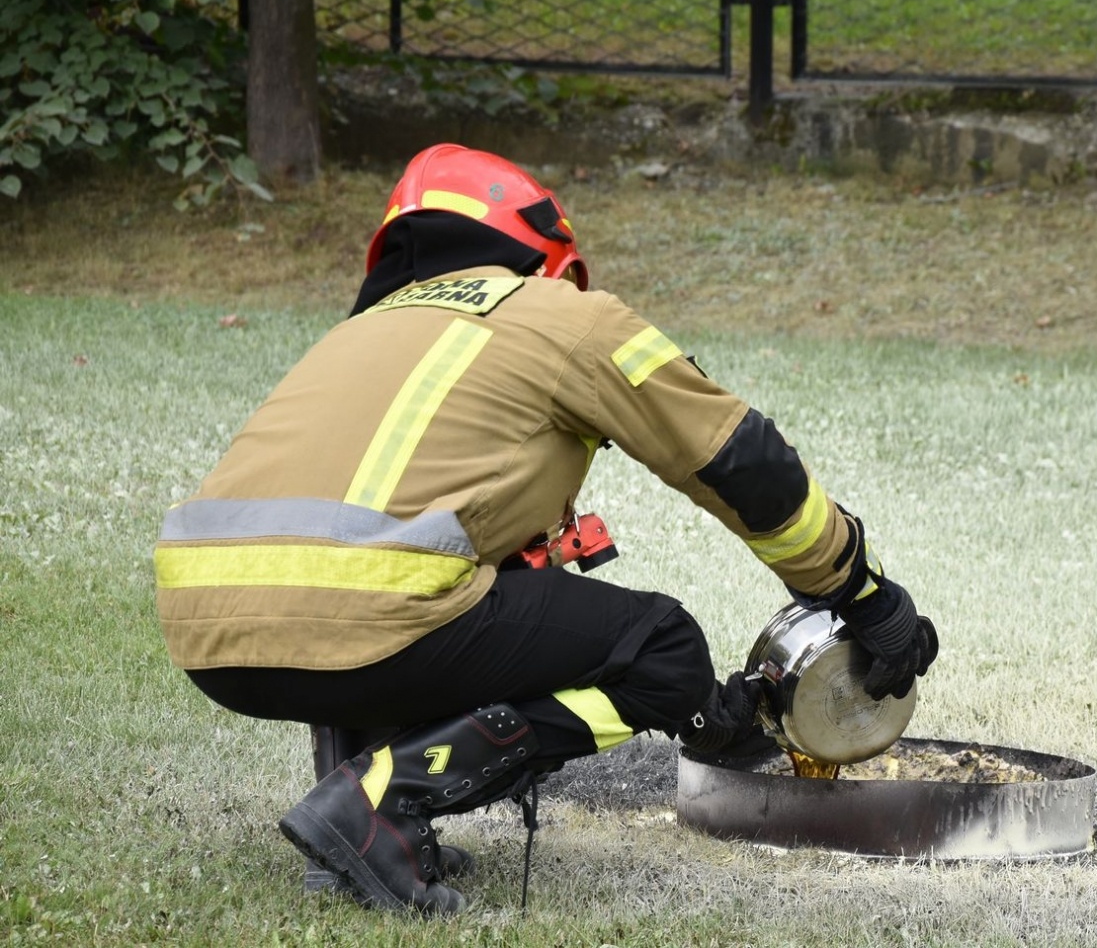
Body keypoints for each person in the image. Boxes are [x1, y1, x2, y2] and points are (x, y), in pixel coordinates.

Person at [152, 144, 939, 915]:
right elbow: (741, 459)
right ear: (549, 256)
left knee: (395, 594)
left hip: (208, 633)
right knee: (659, 649)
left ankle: (353, 814)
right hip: (370, 616)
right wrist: (862, 592)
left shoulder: (355, 334)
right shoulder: (563, 315)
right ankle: (378, 800)